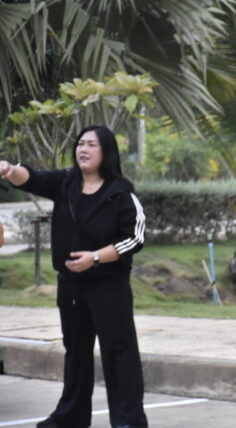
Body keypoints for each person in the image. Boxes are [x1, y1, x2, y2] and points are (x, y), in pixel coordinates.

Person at [0, 125, 148, 428]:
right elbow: (33, 178)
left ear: (106, 152)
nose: (83, 149)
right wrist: (10, 170)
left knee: (119, 354)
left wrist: (95, 257)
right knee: (76, 353)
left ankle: (128, 421)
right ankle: (71, 417)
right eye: (80, 143)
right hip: (70, 285)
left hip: (109, 286)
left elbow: (134, 238)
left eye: (91, 144)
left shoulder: (121, 193)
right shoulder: (65, 182)